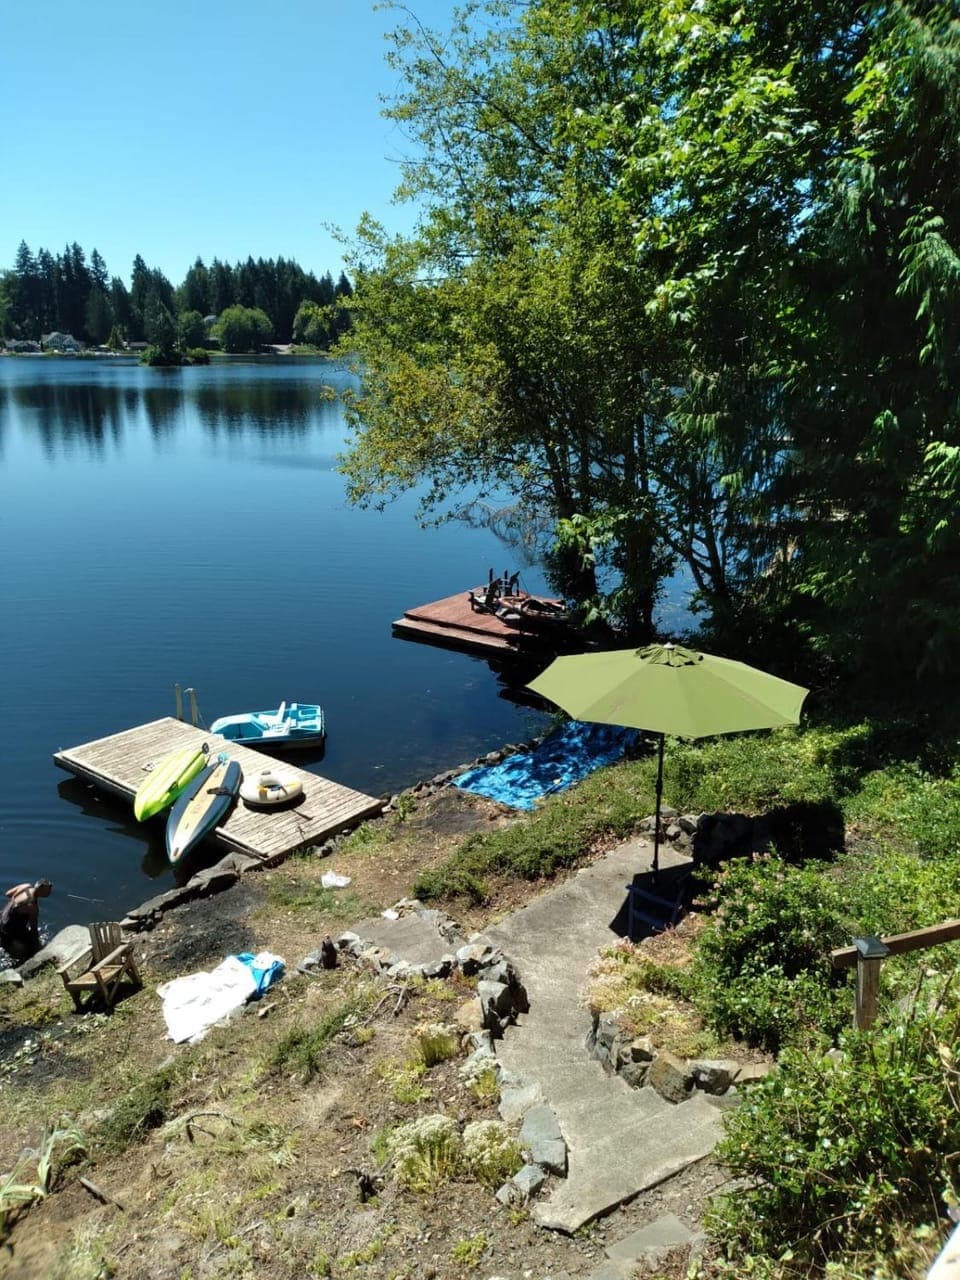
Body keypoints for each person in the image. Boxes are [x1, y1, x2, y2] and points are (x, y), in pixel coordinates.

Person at [0, 879, 53, 964]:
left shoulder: (25, 886)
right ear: (40, 889)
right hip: (9, 929)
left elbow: (8, 894)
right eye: (48, 891)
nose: (50, 893)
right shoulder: (32, 906)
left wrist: (15, 904)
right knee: (29, 952)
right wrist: (37, 946)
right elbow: (34, 928)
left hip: (2, 918)